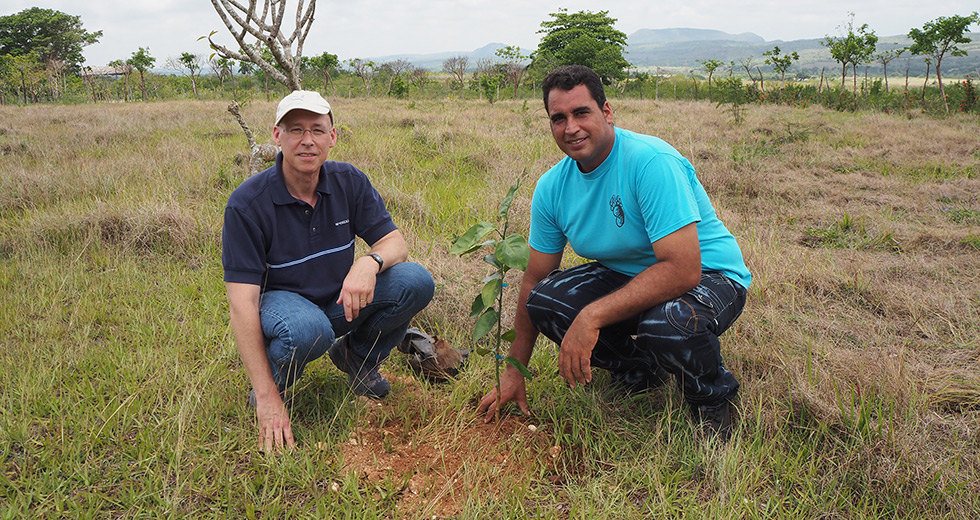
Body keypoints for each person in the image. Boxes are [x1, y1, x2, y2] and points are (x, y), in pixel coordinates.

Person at [477, 65, 751, 440]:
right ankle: (639, 370)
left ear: (607, 112)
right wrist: (513, 372)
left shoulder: (650, 162)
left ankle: (712, 397)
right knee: (545, 301)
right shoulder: (552, 187)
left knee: (668, 324)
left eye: (581, 113)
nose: (570, 127)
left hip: (709, 275)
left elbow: (684, 270)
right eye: (558, 118)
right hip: (628, 274)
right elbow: (534, 278)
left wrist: (591, 316)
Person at [222, 90, 434, 451]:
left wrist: (369, 262)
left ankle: (357, 357)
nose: (307, 141)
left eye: (317, 130)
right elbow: (242, 304)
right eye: (295, 130)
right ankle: (273, 388)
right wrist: (266, 394)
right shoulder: (247, 204)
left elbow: (395, 243)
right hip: (281, 307)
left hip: (338, 300)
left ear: (332, 137)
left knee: (415, 281)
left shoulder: (348, 181)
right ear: (277, 136)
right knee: (309, 329)